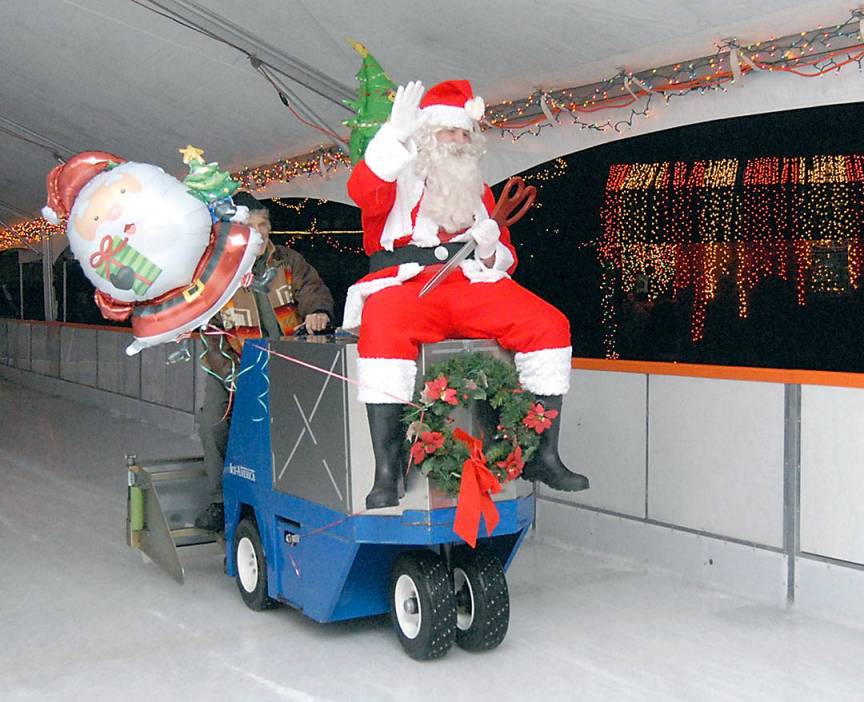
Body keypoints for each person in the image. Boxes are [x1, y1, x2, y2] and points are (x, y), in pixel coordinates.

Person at [344, 79, 590, 510]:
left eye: (463, 134)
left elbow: (505, 259)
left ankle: (542, 455)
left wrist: (492, 242)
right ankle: (387, 470)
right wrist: (392, 137)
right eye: (448, 132)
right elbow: (361, 192)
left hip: (469, 284)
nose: (458, 141)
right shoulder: (395, 174)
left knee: (548, 324)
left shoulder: (479, 190)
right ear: (426, 136)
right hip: (410, 284)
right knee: (382, 328)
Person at [195, 193, 334, 531]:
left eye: (264, 225)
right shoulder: (217, 272)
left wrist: (317, 311)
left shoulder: (288, 261)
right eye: (251, 226)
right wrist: (232, 375)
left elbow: (313, 289)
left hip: (288, 364)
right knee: (213, 423)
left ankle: (306, 497)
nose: (260, 233)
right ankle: (218, 501)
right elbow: (208, 330)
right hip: (233, 366)